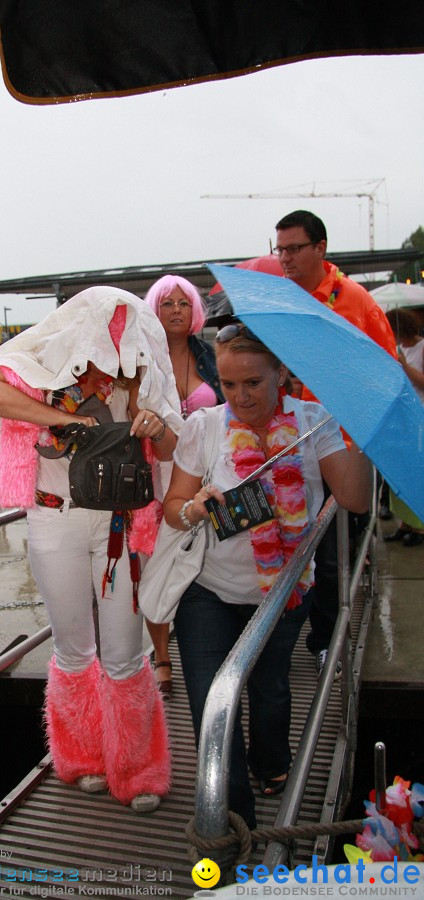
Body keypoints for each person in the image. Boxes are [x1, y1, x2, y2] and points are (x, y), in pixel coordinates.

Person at [0, 286, 183, 813]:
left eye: (124, 326)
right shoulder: (39, 362)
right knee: (71, 647)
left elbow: (173, 445)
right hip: (53, 518)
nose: (114, 336)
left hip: (120, 524)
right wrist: (60, 418)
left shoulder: (139, 374)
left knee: (125, 652)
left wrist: (154, 425)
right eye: (106, 324)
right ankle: (83, 758)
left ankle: (138, 769)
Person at [163, 322, 372, 828]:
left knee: (271, 688)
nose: (239, 396)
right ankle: (234, 820)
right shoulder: (205, 427)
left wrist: (358, 428)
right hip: (207, 591)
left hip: (283, 592)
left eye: (252, 382)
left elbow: (356, 499)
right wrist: (194, 507)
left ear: (281, 372)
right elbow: (171, 507)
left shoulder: (314, 422)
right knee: (211, 702)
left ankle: (271, 761)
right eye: (229, 383)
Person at [274, 210, 397, 676]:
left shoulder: (356, 303)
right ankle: (289, 628)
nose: (285, 258)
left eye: (294, 249)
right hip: (291, 440)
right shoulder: (282, 303)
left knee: (330, 552)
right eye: (279, 249)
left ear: (321, 248)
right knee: (291, 538)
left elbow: (385, 373)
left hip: (341, 441)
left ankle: (325, 636)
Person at [142, 275, 224, 693]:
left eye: (184, 303)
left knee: (204, 556)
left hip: (206, 472)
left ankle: (205, 634)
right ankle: (160, 653)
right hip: (158, 475)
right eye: (167, 303)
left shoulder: (211, 356)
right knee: (156, 562)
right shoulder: (142, 362)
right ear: (153, 312)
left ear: (195, 311)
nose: (176, 310)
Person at [382, 307, 424, 546]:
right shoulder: (398, 350)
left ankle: (419, 527)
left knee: (418, 472)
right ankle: (405, 523)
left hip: (420, 417)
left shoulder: (421, 347)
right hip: (402, 418)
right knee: (401, 472)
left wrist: (406, 367)